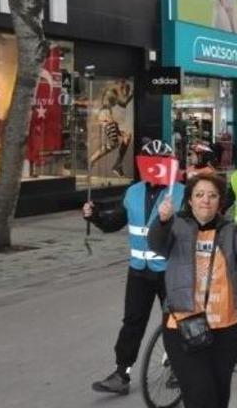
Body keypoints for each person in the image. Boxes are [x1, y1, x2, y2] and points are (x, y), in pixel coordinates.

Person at [149, 173, 237, 408]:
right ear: (190, 200)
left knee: (220, 395)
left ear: (219, 202)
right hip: (184, 324)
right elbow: (157, 244)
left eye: (212, 196)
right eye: (200, 195)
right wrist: (162, 221)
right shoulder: (177, 226)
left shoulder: (229, 229)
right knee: (200, 396)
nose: (206, 200)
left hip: (225, 326)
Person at [83, 140, 186, 395]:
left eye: (160, 161)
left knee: (176, 321)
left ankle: (179, 367)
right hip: (139, 270)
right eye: (148, 161)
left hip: (169, 270)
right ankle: (121, 374)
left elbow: (193, 230)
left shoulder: (181, 192)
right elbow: (114, 222)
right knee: (132, 322)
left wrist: (172, 218)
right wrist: (95, 215)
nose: (153, 167)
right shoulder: (133, 192)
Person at [89, 79, 133, 177]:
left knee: (126, 137)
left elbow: (123, 104)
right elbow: (123, 101)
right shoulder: (113, 88)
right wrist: (131, 93)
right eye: (126, 88)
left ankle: (118, 164)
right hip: (105, 116)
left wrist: (130, 94)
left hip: (108, 116)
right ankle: (91, 160)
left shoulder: (114, 91)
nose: (126, 91)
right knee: (114, 143)